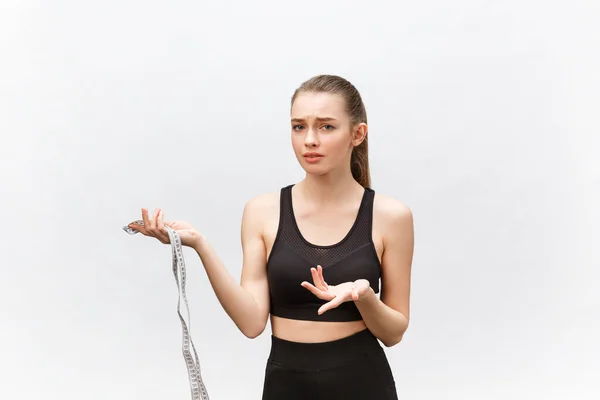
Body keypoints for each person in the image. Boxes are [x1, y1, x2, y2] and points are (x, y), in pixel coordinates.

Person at [128, 74, 414, 400]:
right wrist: (200, 245)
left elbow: (393, 333)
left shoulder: (391, 216)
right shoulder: (262, 212)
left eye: (326, 126)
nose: (309, 140)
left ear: (357, 134)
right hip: (286, 385)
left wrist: (364, 296)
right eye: (298, 126)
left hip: (363, 384)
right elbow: (251, 323)